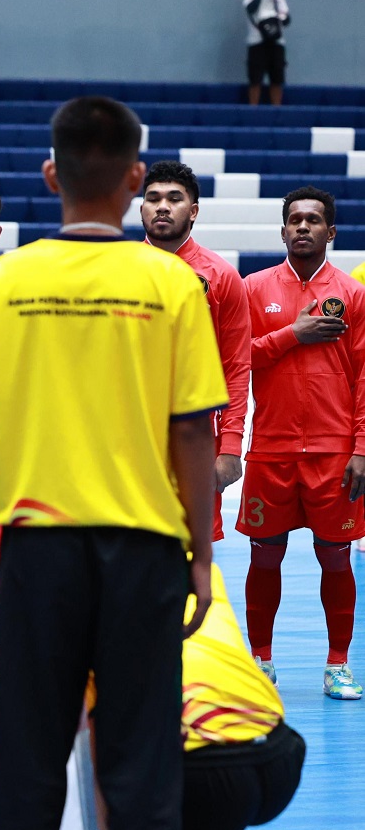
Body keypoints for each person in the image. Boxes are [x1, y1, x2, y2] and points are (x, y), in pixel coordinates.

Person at [0, 96, 229, 830]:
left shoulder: (3, 280)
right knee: (143, 754)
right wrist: (200, 551)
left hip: (38, 545)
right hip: (144, 549)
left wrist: (30, 458)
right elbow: (195, 435)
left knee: (27, 749)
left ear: (49, 175)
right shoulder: (173, 285)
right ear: (137, 180)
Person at [88, 566, 303, 830]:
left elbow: (105, 769)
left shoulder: (83, 613)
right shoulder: (203, 572)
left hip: (204, 769)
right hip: (278, 752)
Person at [236, 185, 365, 700]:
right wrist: (294, 333)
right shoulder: (251, 288)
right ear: (283, 230)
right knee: (263, 557)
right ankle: (260, 663)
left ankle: (337, 664)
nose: (304, 227)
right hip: (270, 448)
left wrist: (361, 448)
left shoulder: (354, 295)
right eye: (295, 220)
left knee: (336, 559)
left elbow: (363, 377)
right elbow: (236, 360)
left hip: (335, 453)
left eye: (314, 220)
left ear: (330, 232)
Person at [140, 160, 252, 548]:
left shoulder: (222, 277)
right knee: (128, 552)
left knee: (192, 553)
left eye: (174, 198)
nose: (162, 207)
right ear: (140, 208)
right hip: (129, 437)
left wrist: (231, 447)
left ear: (194, 210)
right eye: (152, 198)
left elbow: (237, 367)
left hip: (196, 438)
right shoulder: (118, 272)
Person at [243, 0, 289, 107]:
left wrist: (277, 20)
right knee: (255, 79)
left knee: (277, 79)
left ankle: (276, 108)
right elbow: (250, 9)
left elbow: (287, 19)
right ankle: (253, 108)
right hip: (256, 42)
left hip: (276, 43)